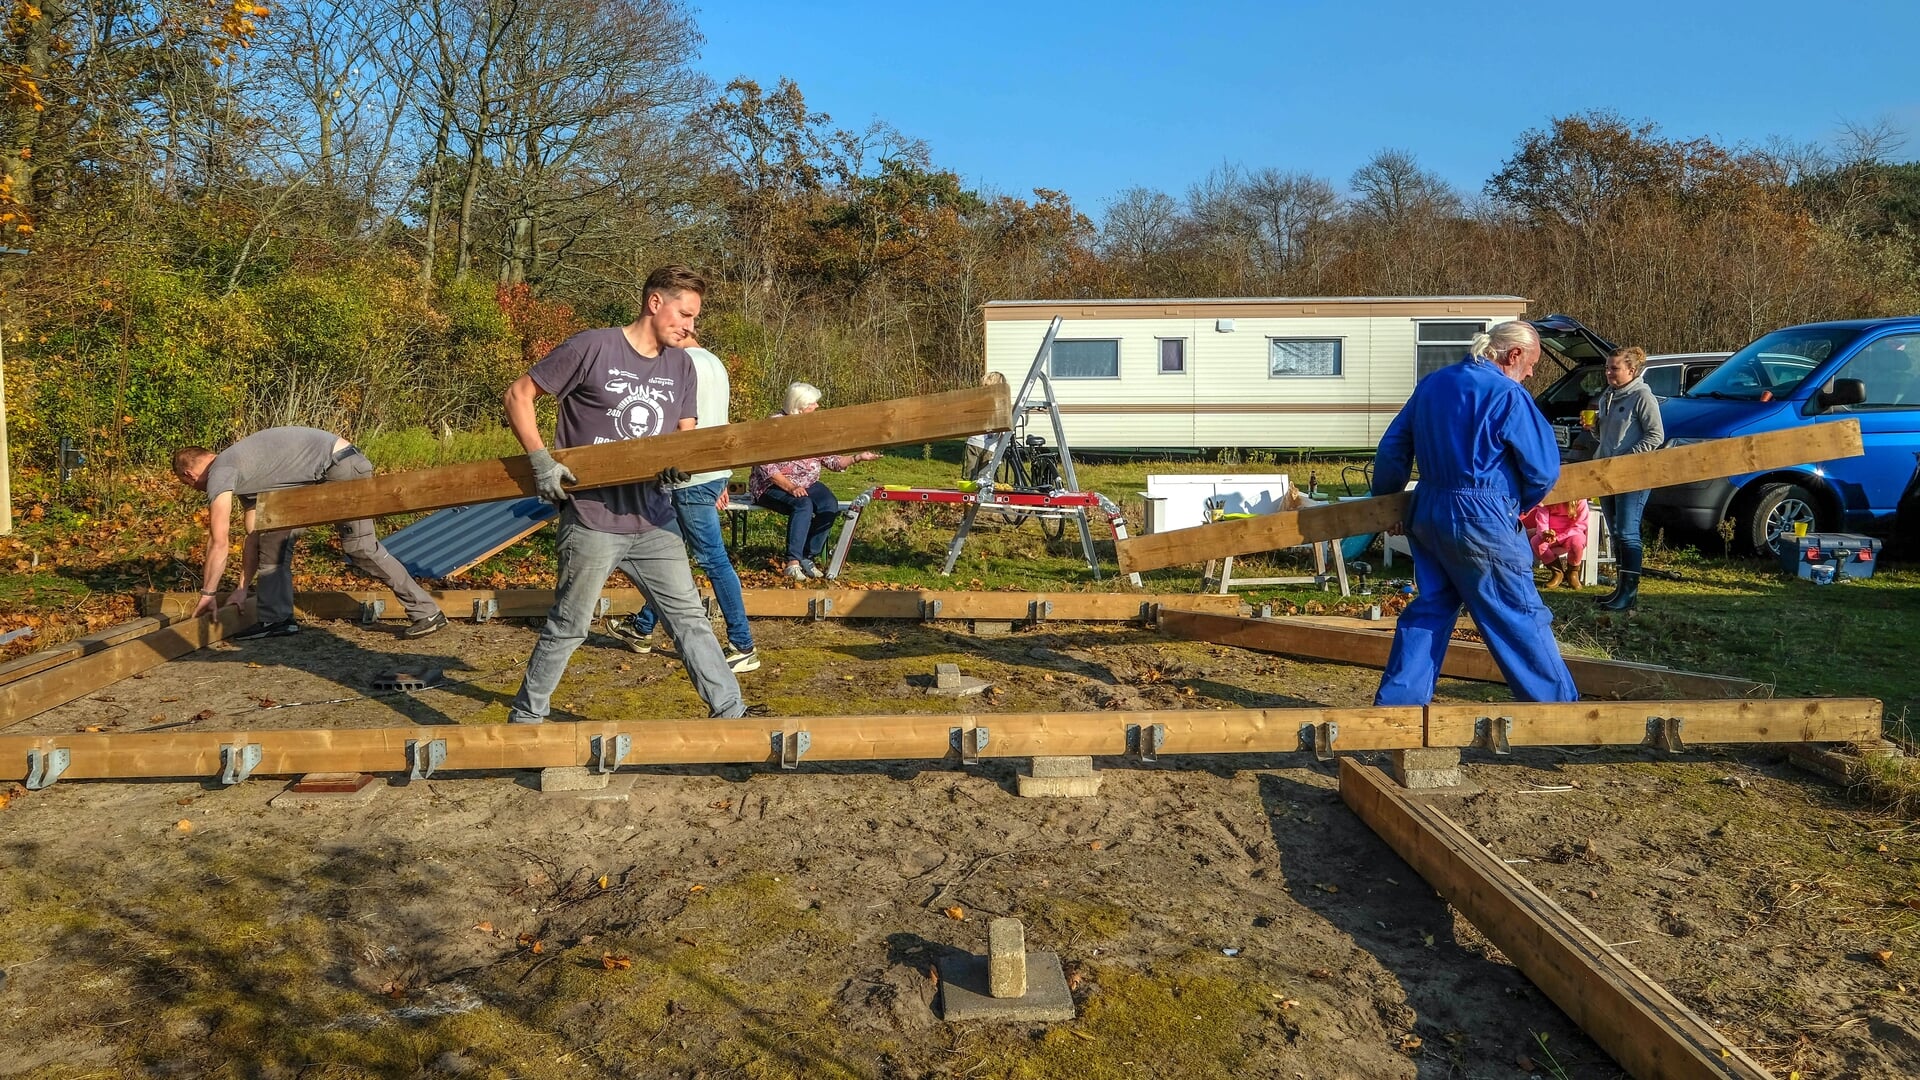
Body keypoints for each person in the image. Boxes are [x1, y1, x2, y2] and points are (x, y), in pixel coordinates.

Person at [502, 265, 745, 723]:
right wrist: (541, 461)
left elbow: (684, 436)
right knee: (570, 626)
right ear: (655, 303)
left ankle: (732, 717)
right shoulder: (593, 346)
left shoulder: (682, 366)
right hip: (593, 519)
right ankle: (526, 721)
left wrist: (681, 469)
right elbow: (518, 395)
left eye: (695, 318)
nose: (691, 327)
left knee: (691, 622)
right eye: (684, 314)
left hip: (655, 521)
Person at [1371, 320, 1578, 706]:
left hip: (1429, 509)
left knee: (1432, 607)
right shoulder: (1508, 395)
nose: (1531, 372)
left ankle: (1399, 708)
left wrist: (1387, 501)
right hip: (1483, 516)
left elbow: (1393, 448)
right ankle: (1559, 712)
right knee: (1517, 613)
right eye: (1531, 363)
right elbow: (1544, 470)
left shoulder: (1433, 383)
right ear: (1513, 354)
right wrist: (1517, 503)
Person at [171, 429, 448, 641]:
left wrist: (208, 593)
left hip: (339, 468)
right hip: (327, 470)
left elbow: (219, 541)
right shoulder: (244, 470)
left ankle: (427, 612)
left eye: (189, 484)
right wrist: (242, 588)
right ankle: (277, 619)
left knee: (361, 548)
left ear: (188, 475)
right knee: (272, 544)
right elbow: (254, 535)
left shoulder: (221, 470)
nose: (196, 489)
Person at [605, 335, 760, 674]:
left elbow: (677, 420)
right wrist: (722, 475)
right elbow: (719, 420)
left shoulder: (679, 364)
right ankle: (642, 628)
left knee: (712, 560)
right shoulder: (715, 362)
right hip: (712, 471)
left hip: (690, 478)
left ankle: (742, 644)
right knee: (670, 555)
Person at [748, 382, 880, 581]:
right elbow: (765, 466)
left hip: (807, 483)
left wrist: (858, 457)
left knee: (829, 504)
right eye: (813, 404)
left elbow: (832, 460)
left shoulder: (813, 427)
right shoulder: (774, 426)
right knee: (803, 504)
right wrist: (791, 487)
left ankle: (808, 557)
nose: (818, 407)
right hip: (771, 485)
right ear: (800, 407)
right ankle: (792, 562)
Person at [1590, 345, 1665, 612]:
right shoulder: (1606, 396)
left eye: (1614, 368)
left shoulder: (1643, 396)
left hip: (1634, 474)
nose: (1608, 373)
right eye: (1607, 368)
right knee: (1615, 533)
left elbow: (1656, 435)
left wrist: (1627, 458)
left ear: (1631, 370)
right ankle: (1620, 590)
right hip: (1607, 474)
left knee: (1627, 532)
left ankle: (1630, 594)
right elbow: (1607, 438)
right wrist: (1595, 428)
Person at [1522, 499, 1590, 589]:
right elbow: (1542, 519)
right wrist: (1544, 533)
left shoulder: (1580, 500)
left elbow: (1580, 525)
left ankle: (1572, 573)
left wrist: (1560, 538)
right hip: (1551, 533)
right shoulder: (1548, 498)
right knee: (1536, 542)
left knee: (1577, 542)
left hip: (1572, 533)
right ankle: (1557, 572)